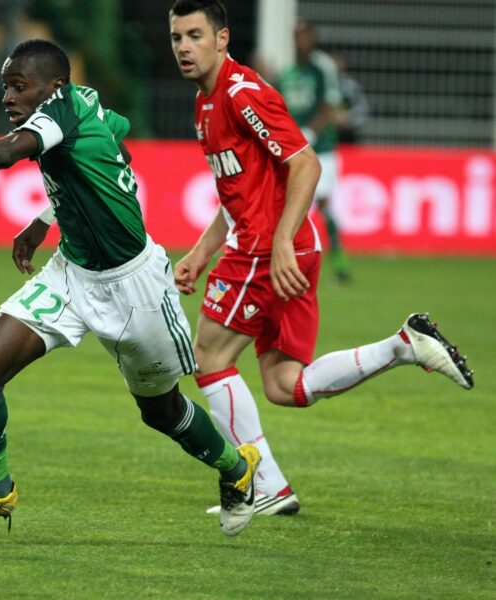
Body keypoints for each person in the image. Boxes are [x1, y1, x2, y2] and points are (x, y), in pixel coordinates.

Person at [0, 39, 262, 537]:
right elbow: (114, 143)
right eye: (4, 87)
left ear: (54, 87)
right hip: (72, 274)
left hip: (136, 287)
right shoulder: (84, 103)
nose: (8, 98)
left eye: (19, 87)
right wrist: (47, 216)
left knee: (161, 412)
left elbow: (5, 153)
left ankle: (237, 467)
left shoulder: (58, 112)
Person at [168, 0, 473, 517]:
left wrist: (281, 240)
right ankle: (402, 345)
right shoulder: (204, 104)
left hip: (268, 249)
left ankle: (259, 484)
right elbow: (236, 190)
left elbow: (305, 163)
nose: (183, 47)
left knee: (210, 358)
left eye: (195, 35)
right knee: (284, 385)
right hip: (285, 245)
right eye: (176, 37)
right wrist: (201, 251)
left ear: (222, 39)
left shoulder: (243, 95)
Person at [276, 19, 350, 283]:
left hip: (322, 149)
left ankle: (340, 259)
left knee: (324, 203)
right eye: (296, 36)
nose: (300, 41)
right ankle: (294, 260)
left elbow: (329, 107)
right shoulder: (288, 72)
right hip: (294, 152)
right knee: (293, 205)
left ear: (313, 38)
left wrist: (309, 133)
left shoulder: (323, 68)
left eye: (305, 36)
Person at [331, 52, 370, 145]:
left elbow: (363, 109)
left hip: (348, 135)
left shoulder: (351, 86)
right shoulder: (321, 86)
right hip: (326, 135)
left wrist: (348, 118)